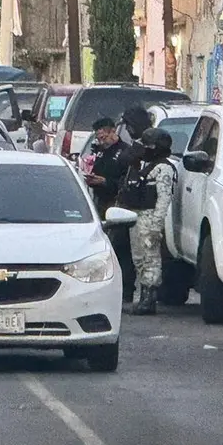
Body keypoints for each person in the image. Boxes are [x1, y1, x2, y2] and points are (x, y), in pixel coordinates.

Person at [118, 126, 176, 315]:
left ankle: (149, 299)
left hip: (150, 217)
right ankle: (143, 297)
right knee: (139, 258)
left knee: (150, 258)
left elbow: (164, 198)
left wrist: (156, 225)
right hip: (137, 215)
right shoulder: (143, 166)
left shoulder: (164, 168)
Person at [84, 117, 136, 299]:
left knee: (120, 247)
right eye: (98, 137)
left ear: (113, 132)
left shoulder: (124, 153)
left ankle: (126, 290)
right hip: (100, 202)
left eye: (103, 135)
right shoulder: (99, 153)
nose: (101, 140)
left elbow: (126, 181)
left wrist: (106, 182)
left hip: (118, 203)